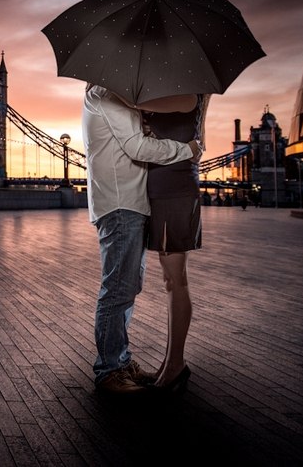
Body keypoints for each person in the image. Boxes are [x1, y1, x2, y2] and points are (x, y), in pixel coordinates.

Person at [82, 84, 202, 395]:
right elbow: (136, 147)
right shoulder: (105, 94)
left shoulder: (118, 98)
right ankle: (110, 370)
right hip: (121, 203)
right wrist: (187, 150)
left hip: (132, 202)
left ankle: (120, 362)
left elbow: (137, 139)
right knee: (118, 289)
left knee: (127, 285)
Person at [141, 93, 210, 395]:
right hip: (160, 188)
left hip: (174, 189)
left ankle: (176, 364)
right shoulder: (166, 92)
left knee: (175, 280)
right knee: (171, 280)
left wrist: (122, 102)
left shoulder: (187, 90)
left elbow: (177, 108)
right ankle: (170, 361)